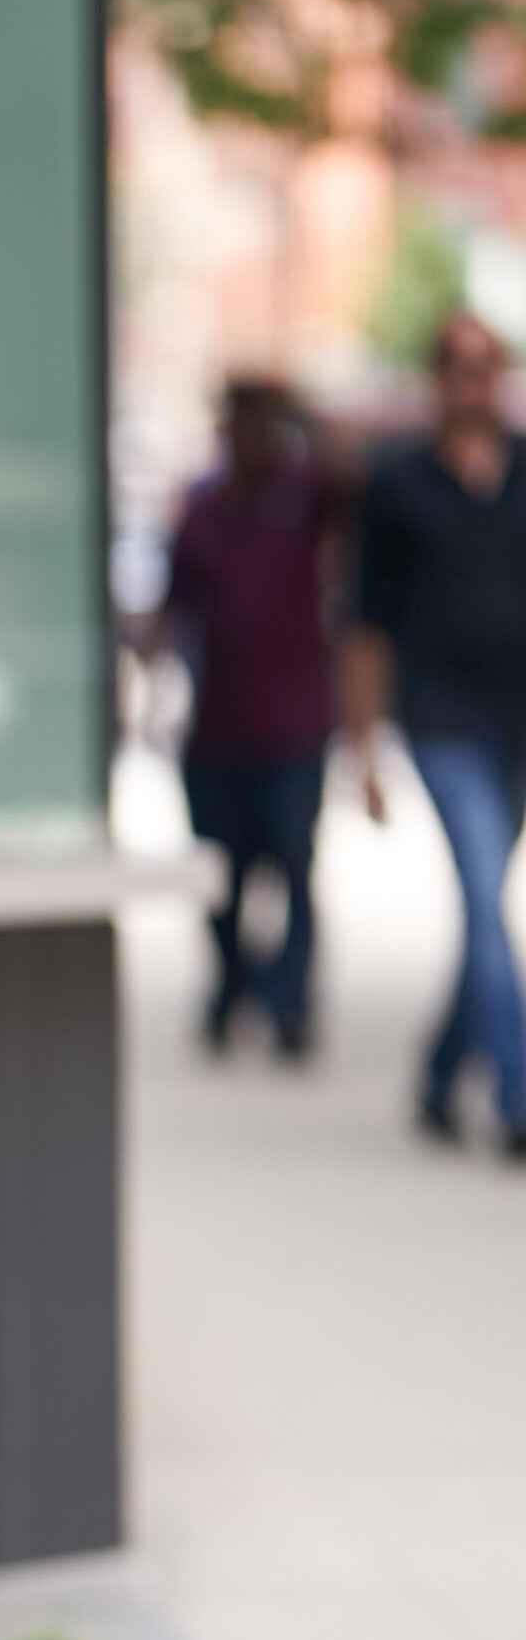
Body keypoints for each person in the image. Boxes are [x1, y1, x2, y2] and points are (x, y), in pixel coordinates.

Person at [348, 313, 526, 1155]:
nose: (471, 381)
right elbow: (365, 621)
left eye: (484, 367)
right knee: (487, 900)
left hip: (516, 720)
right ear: (434, 378)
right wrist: (359, 751)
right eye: (456, 366)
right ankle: (518, 1092)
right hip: (441, 717)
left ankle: (437, 1076)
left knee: (483, 909)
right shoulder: (398, 482)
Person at [162, 378, 337, 1057]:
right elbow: (173, 610)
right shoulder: (205, 508)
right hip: (218, 729)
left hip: (294, 724)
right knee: (223, 882)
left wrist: (300, 406)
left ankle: (288, 1003)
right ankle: (231, 989)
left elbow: (352, 475)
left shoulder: (304, 495)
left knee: (294, 869)